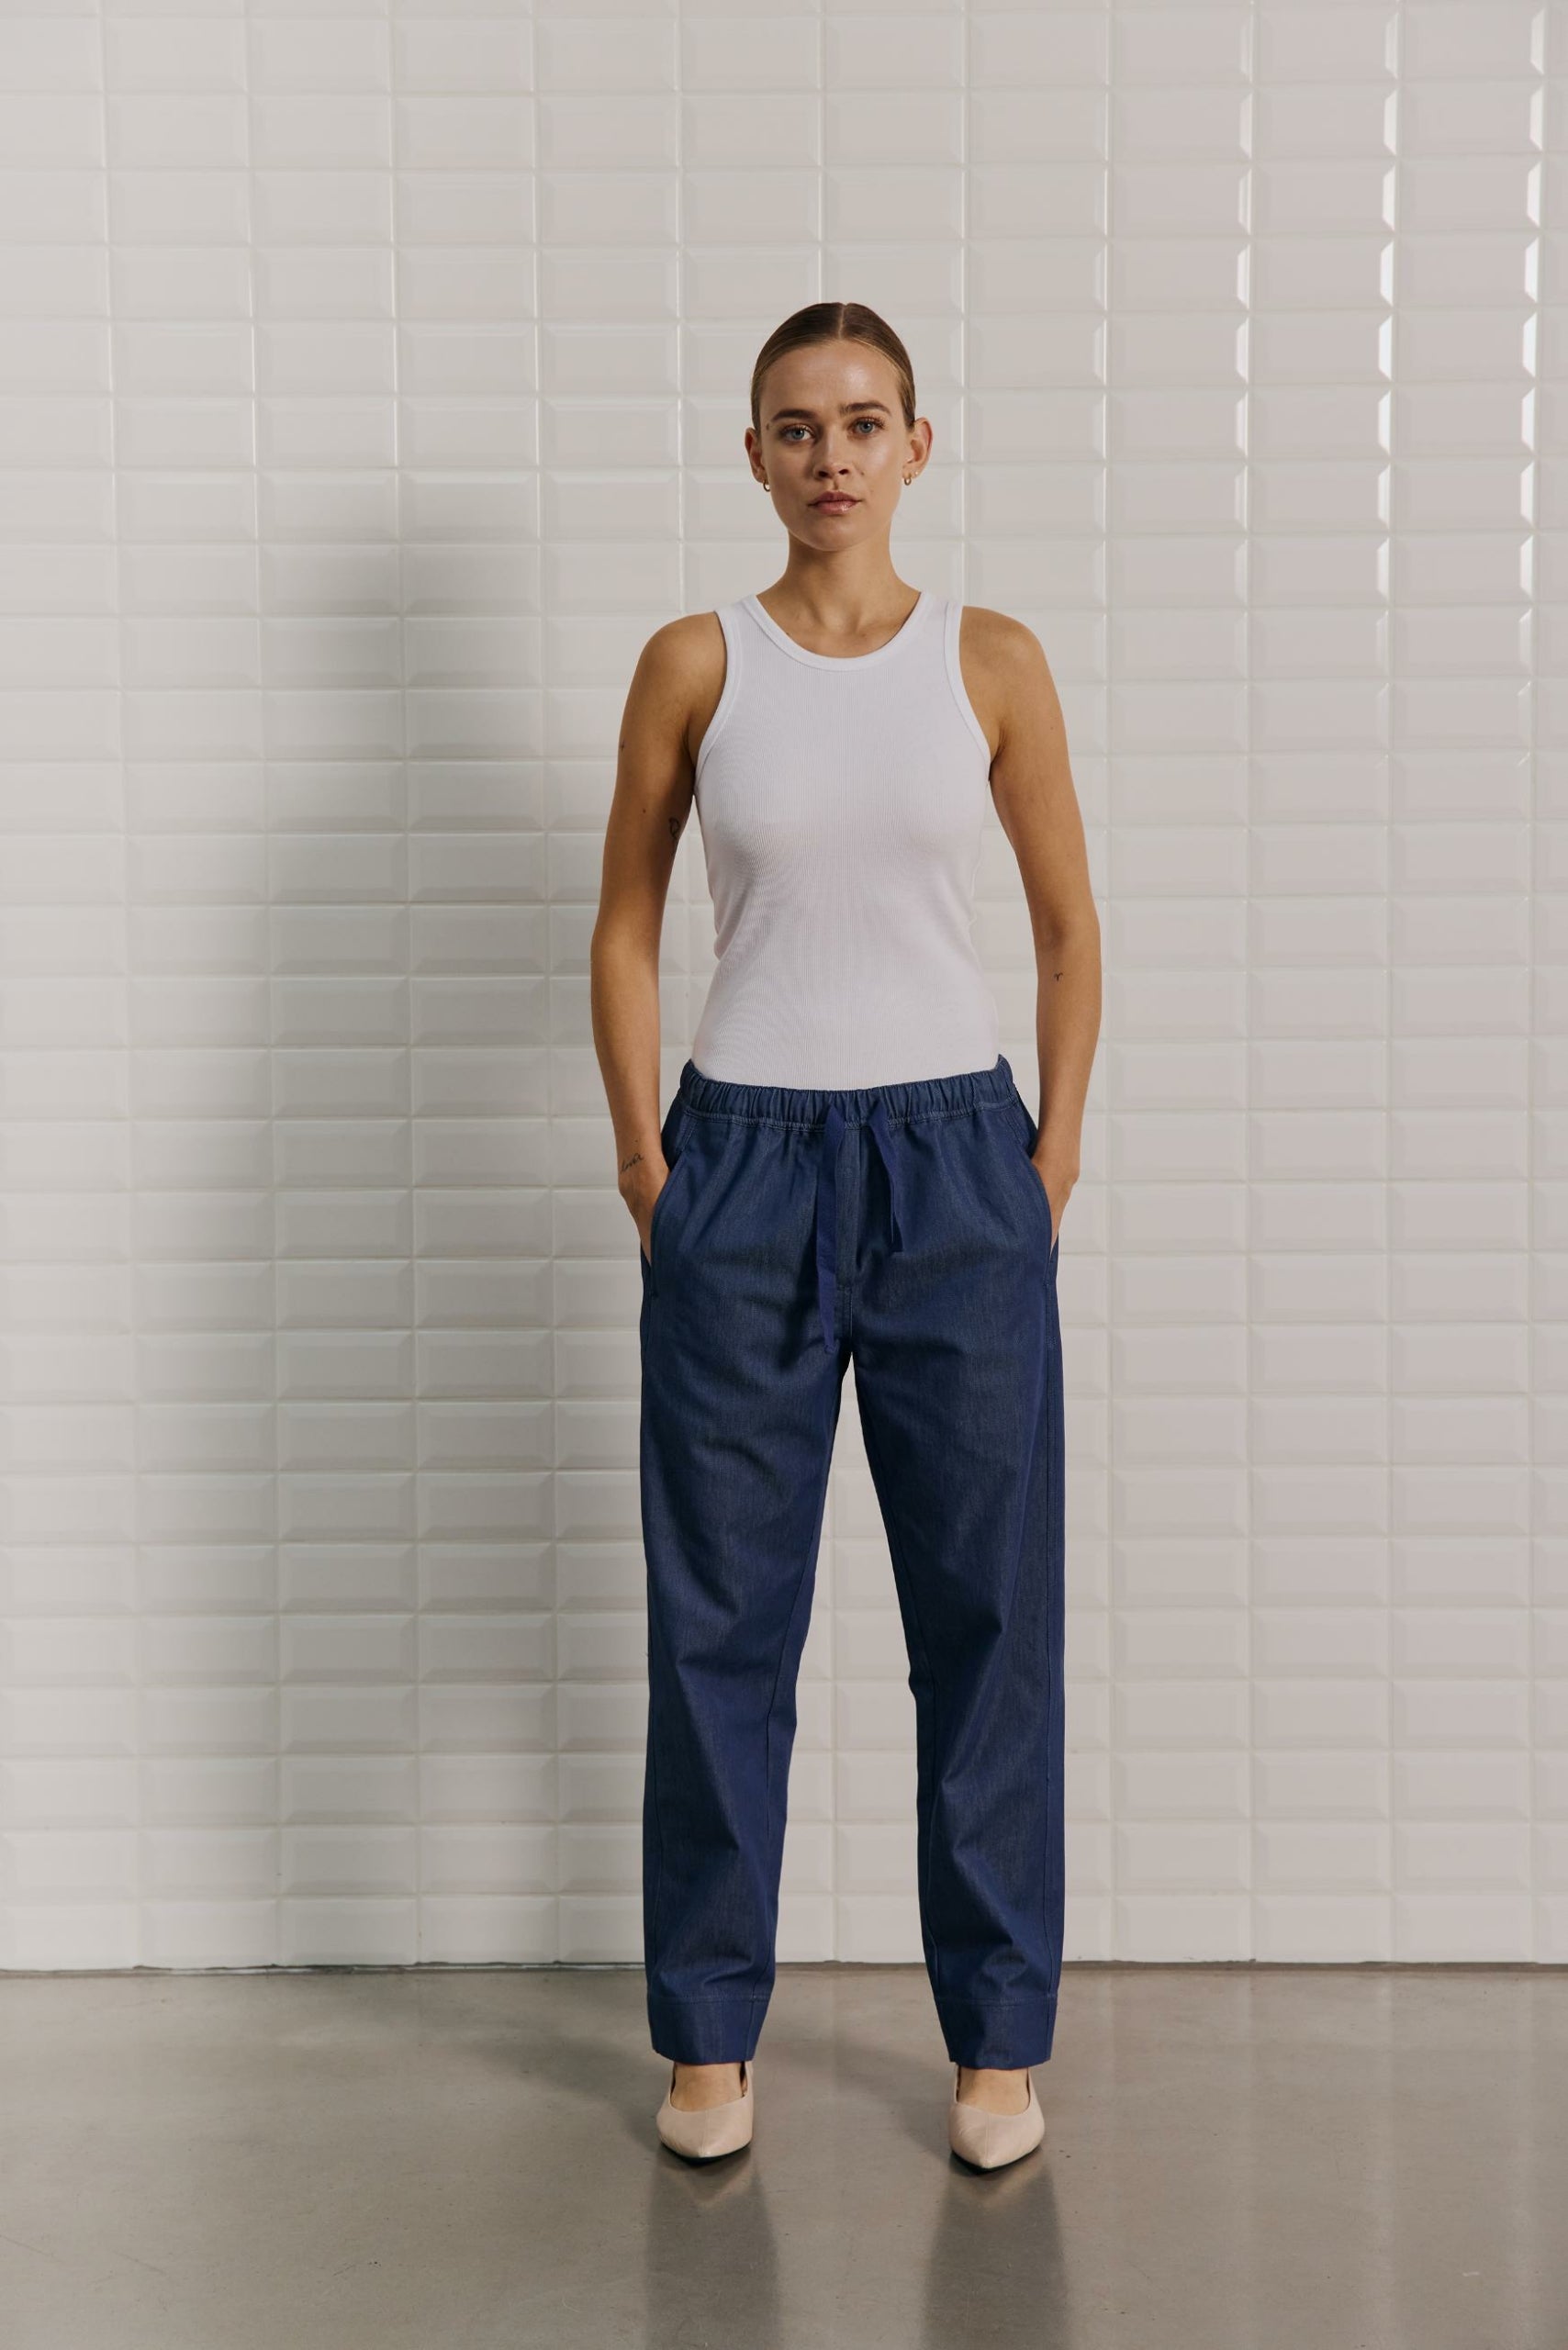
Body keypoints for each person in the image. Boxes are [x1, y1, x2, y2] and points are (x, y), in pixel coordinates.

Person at [589, 300, 1101, 2169]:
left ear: (915, 447)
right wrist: (645, 1166)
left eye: (863, 422)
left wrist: (1045, 1166)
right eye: (796, 428)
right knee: (722, 1622)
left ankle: (997, 2043)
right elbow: (626, 923)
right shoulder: (691, 663)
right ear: (754, 455)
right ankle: (709, 2039)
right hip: (739, 1165)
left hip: (956, 1163)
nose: (831, 457)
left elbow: (1067, 926)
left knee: (987, 1621)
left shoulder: (991, 660)